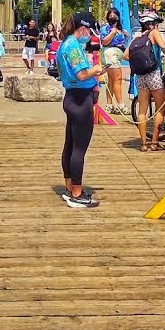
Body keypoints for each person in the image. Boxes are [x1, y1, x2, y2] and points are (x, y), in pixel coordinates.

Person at [57, 12, 106, 209]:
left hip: (71, 96)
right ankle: (76, 193)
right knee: (79, 148)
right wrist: (96, 70)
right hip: (79, 99)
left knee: (70, 144)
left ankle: (70, 186)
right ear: (83, 28)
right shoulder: (73, 46)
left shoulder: (65, 44)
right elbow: (82, 74)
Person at [128, 11, 165, 152]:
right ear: (152, 24)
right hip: (154, 74)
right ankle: (154, 142)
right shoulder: (154, 33)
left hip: (141, 76)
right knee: (160, 108)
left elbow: (126, 55)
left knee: (142, 109)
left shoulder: (136, 37)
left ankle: (143, 143)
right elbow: (164, 46)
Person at [100, 8, 129, 114]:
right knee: (118, 79)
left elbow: (123, 44)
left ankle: (109, 105)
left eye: (114, 15)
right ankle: (121, 104)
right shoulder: (105, 29)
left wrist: (126, 37)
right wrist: (112, 32)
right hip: (111, 54)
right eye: (110, 15)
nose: (112, 16)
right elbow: (104, 41)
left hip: (118, 54)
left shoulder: (120, 29)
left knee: (111, 81)